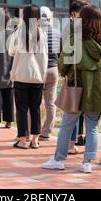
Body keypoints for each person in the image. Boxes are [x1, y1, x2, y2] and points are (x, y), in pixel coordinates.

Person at [43, 5, 101, 173]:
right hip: (98, 89)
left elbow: (64, 61)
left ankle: (59, 160)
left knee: (67, 124)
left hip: (78, 85)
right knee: (93, 127)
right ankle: (87, 163)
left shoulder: (76, 38)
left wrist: (64, 72)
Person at [9, 5, 48, 149]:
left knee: (21, 109)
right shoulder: (42, 34)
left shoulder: (18, 33)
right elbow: (45, 57)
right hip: (37, 77)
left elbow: (11, 51)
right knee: (35, 108)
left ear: (24, 16)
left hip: (21, 75)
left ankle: (22, 140)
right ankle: (35, 140)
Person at [68, 1, 88, 152]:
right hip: (83, 75)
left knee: (75, 110)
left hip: (76, 75)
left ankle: (73, 142)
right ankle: (75, 141)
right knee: (78, 110)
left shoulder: (74, 29)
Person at [38, 7, 61, 141]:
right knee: (50, 103)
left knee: (35, 102)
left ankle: (30, 130)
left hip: (39, 70)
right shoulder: (57, 32)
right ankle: (47, 132)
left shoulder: (36, 32)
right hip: (53, 69)